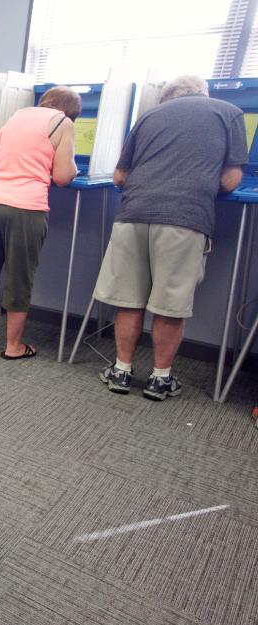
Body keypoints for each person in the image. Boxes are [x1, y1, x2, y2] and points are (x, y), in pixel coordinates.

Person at [95, 75, 247, 400]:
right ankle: (160, 379)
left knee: (129, 299)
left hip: (133, 214)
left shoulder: (147, 116)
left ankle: (121, 370)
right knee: (171, 304)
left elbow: (120, 176)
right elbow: (232, 179)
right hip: (185, 218)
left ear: (166, 97)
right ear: (203, 93)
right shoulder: (229, 112)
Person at [0, 86, 81, 360]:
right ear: (67, 111)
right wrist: (74, 165)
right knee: (19, 278)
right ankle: (13, 346)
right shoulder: (62, 122)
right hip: (25, 208)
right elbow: (63, 176)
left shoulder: (15, 116)